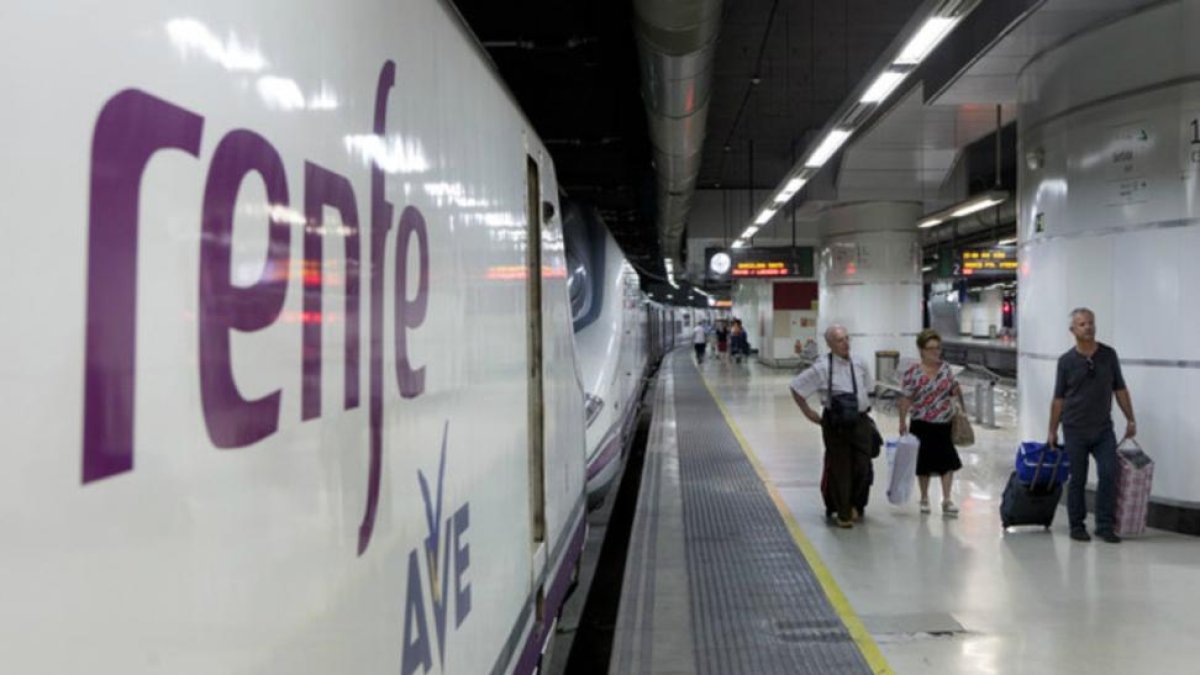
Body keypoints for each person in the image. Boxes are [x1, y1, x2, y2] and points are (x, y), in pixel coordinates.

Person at [1047, 308, 1136, 544]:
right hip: (1074, 428)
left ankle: (1105, 525)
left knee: (1109, 472)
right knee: (1078, 479)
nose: (1088, 327)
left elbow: (1120, 389)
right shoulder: (1066, 362)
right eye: (1082, 324)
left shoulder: (1108, 355)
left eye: (1091, 323)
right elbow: (1058, 398)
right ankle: (1077, 525)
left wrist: (1130, 418)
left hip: (1103, 429)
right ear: (1073, 330)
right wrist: (1052, 430)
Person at [789, 325, 874, 528]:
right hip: (836, 423)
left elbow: (869, 389)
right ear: (829, 344)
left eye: (847, 338)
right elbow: (796, 387)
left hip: (860, 420)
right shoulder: (822, 367)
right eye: (839, 340)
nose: (845, 343)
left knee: (863, 465)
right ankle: (842, 512)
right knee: (840, 467)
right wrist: (808, 413)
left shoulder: (860, 363)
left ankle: (857, 503)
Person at [898, 329, 964, 517]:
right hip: (921, 422)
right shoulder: (913, 373)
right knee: (924, 462)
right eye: (931, 349)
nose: (936, 352)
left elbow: (953, 391)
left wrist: (959, 404)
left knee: (947, 461)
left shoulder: (945, 369)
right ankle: (925, 497)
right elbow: (905, 398)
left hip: (943, 422)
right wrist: (902, 421)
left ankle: (947, 499)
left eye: (938, 348)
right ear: (921, 350)